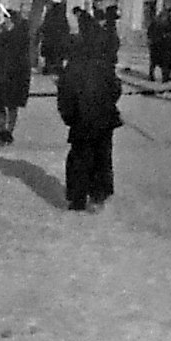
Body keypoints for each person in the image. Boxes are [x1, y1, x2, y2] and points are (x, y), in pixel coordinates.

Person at [57, 29, 123, 212]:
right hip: (104, 118)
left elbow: (65, 98)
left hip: (81, 120)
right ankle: (98, 194)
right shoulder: (102, 64)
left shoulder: (71, 70)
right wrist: (107, 104)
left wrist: (69, 117)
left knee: (79, 158)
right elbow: (115, 88)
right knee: (102, 157)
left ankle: (77, 197)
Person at [0, 5, 31, 145]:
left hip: (15, 76)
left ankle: (8, 133)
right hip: (1, 76)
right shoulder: (3, 35)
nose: (4, 22)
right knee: (0, 105)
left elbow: (22, 59)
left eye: (7, 19)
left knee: (12, 105)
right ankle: (2, 131)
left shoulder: (20, 37)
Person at [39, 1, 70, 75]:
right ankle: (55, 68)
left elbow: (48, 25)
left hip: (53, 39)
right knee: (55, 55)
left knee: (51, 55)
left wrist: (43, 30)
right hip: (55, 39)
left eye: (47, 5)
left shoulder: (52, 15)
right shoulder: (58, 14)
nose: (46, 7)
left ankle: (51, 68)